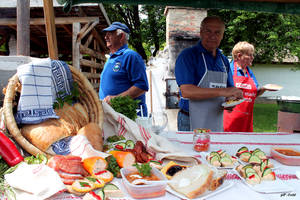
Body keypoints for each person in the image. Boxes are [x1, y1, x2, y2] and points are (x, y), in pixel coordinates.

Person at [175, 16, 243, 132]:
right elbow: (186, 91)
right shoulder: (188, 56)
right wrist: (222, 92)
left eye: (217, 33)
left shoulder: (223, 60)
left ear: (222, 36)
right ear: (201, 32)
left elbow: (229, 89)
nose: (212, 36)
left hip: (215, 119)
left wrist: (231, 100)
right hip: (190, 119)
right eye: (208, 31)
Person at [99, 22, 149, 116]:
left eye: (109, 34)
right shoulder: (110, 58)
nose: (105, 37)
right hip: (113, 116)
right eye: (106, 35)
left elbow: (142, 86)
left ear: (121, 36)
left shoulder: (130, 56)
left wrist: (116, 99)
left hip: (129, 117)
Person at [223, 41, 267, 132]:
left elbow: (254, 93)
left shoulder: (249, 72)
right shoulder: (228, 70)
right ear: (239, 56)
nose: (252, 58)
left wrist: (264, 88)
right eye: (250, 55)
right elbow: (221, 93)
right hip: (230, 118)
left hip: (246, 119)